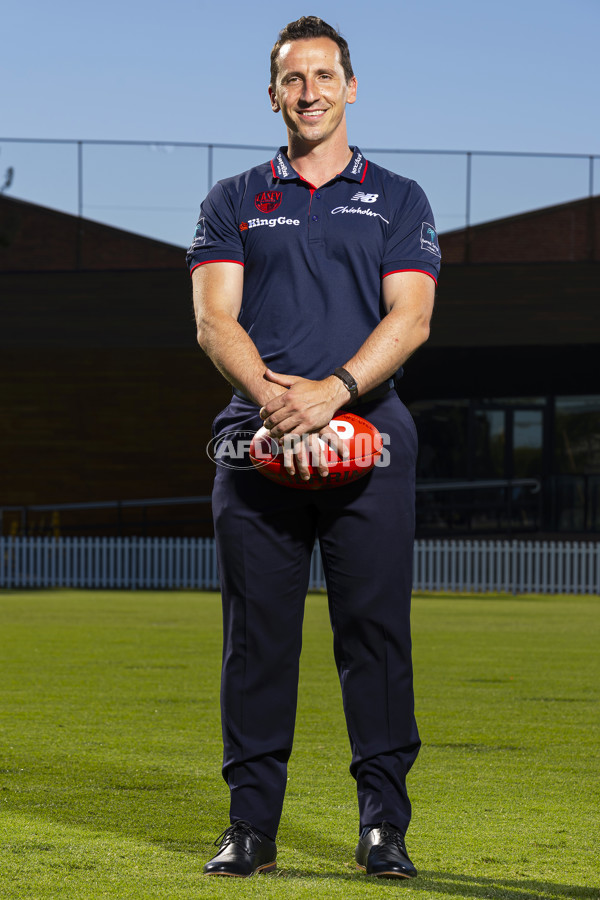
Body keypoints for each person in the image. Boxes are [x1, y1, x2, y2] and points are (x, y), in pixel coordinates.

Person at [187, 15, 441, 879]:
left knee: (374, 633)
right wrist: (273, 405)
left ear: (351, 86)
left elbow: (412, 316)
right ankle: (250, 828)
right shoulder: (232, 199)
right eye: (293, 79)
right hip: (254, 440)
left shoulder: (400, 197)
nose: (309, 91)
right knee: (257, 639)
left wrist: (333, 395)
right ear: (273, 96)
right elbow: (213, 319)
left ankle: (384, 829)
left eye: (324, 75)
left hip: (370, 436)